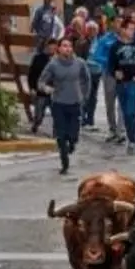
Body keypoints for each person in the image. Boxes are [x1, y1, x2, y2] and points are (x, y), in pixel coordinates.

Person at [39, 38, 92, 174]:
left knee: (73, 135)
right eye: (64, 46)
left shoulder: (79, 63)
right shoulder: (53, 64)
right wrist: (46, 88)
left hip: (75, 103)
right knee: (61, 135)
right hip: (59, 103)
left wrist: (84, 95)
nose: (67, 48)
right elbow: (41, 81)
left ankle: (72, 144)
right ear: (59, 48)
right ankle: (64, 162)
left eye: (69, 46)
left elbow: (87, 79)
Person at [107, 19, 135, 154]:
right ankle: (130, 137)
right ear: (123, 30)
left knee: (131, 111)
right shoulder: (115, 46)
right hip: (121, 83)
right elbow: (110, 65)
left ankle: (132, 140)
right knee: (125, 112)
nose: (132, 32)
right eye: (130, 29)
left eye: (133, 29)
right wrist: (115, 73)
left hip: (133, 82)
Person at [91, 16, 124, 142]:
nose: (120, 25)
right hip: (109, 74)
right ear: (112, 24)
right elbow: (96, 56)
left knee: (123, 102)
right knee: (110, 103)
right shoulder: (105, 39)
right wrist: (110, 61)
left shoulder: (127, 39)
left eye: (122, 22)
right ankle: (112, 128)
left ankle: (121, 130)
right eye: (118, 22)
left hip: (123, 75)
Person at [27, 39, 58, 134]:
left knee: (57, 114)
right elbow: (31, 75)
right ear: (46, 47)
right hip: (41, 91)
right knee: (39, 114)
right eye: (50, 47)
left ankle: (56, 131)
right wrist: (32, 88)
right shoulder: (38, 58)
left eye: (54, 48)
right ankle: (36, 124)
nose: (52, 50)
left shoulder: (59, 60)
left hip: (55, 91)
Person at [78, 20, 103, 128]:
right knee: (85, 95)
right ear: (87, 31)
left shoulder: (100, 42)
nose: (93, 32)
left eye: (94, 30)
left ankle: (90, 118)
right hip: (86, 72)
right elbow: (80, 58)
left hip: (97, 72)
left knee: (93, 96)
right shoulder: (83, 43)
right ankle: (83, 117)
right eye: (90, 30)